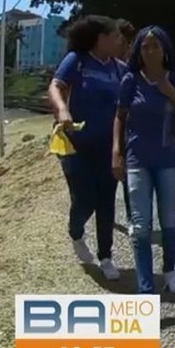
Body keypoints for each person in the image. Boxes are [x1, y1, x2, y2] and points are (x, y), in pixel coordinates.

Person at [114, 26, 175, 294]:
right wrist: (116, 152)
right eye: (145, 46)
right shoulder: (130, 80)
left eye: (155, 46)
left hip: (168, 163)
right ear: (139, 51)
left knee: (169, 220)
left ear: (165, 50)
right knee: (140, 227)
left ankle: (170, 270)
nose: (150, 51)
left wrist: (171, 92)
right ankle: (146, 287)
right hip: (137, 160)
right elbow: (120, 116)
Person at [48, 15, 125, 281]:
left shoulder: (119, 68)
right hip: (77, 146)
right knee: (84, 200)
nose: (120, 40)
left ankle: (106, 256)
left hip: (108, 149)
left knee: (106, 202)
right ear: (100, 39)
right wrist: (63, 109)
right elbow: (56, 86)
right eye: (115, 36)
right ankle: (76, 231)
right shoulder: (77, 60)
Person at [114, 19, 138, 224]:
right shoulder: (100, 63)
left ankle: (133, 218)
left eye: (127, 41)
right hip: (102, 127)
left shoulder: (130, 68)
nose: (124, 45)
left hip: (125, 128)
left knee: (127, 175)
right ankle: (106, 215)